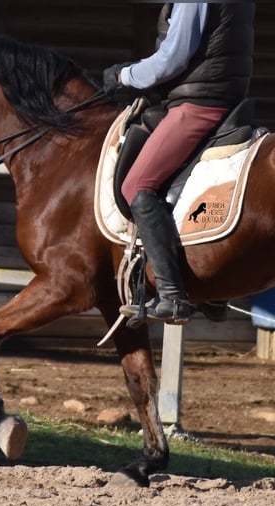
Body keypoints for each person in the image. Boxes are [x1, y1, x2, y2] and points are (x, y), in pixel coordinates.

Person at [102, 2, 255, 325]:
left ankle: (172, 296)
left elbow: (172, 58)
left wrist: (125, 75)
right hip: (222, 96)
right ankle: (213, 293)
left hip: (199, 103)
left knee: (137, 185)